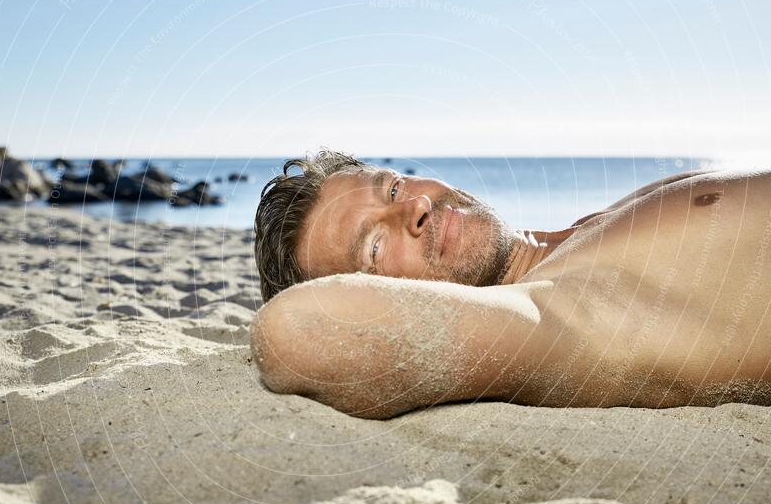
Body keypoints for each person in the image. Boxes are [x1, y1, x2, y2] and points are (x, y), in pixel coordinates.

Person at [250, 149, 771, 419]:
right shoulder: (550, 314)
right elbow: (296, 330)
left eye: (393, 186)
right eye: (375, 247)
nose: (415, 206)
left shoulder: (589, 228)